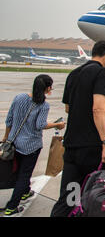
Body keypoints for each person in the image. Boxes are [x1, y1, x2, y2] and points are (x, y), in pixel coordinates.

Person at [50, 40, 105, 217]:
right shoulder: (102, 73)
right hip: (91, 147)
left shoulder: (74, 74)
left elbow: (67, 107)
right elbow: (98, 108)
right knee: (97, 196)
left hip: (72, 145)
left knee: (68, 199)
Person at [1, 75, 65, 216]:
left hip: (14, 142)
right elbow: (40, 125)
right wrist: (57, 124)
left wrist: (6, 137)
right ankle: (12, 206)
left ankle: (25, 192)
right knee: (25, 174)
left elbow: (9, 119)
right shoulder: (43, 105)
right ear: (47, 88)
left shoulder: (19, 98)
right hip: (31, 146)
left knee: (18, 171)